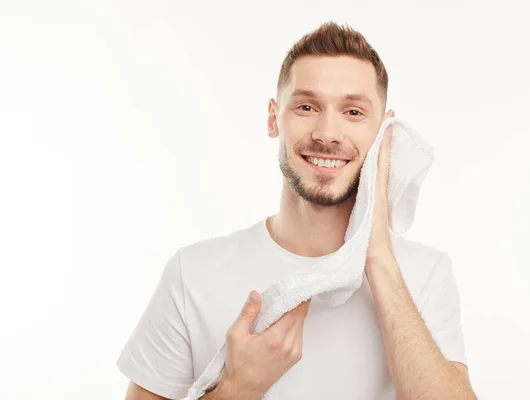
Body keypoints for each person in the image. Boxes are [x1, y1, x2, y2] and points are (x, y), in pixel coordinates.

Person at [117, 21, 477, 400]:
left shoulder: (425, 274)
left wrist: (378, 259)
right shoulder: (192, 273)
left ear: (384, 133)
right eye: (306, 106)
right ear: (274, 117)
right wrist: (239, 388)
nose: (327, 133)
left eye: (353, 112)